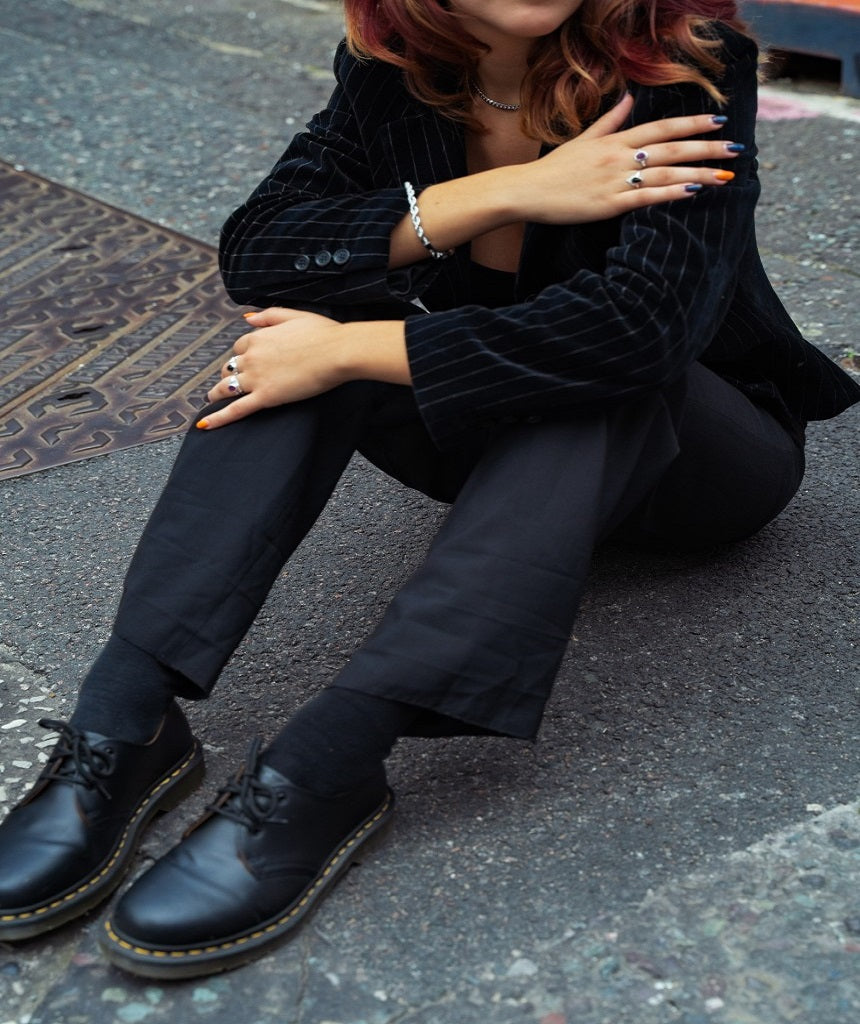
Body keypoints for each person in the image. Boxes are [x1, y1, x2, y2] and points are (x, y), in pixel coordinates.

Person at [1, 0, 857, 980]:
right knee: (306, 314)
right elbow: (260, 248)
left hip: (698, 460)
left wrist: (352, 351)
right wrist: (502, 192)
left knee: (599, 360)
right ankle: (127, 713)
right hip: (481, 439)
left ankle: (328, 762)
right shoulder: (397, 65)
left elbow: (640, 330)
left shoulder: (681, 65)